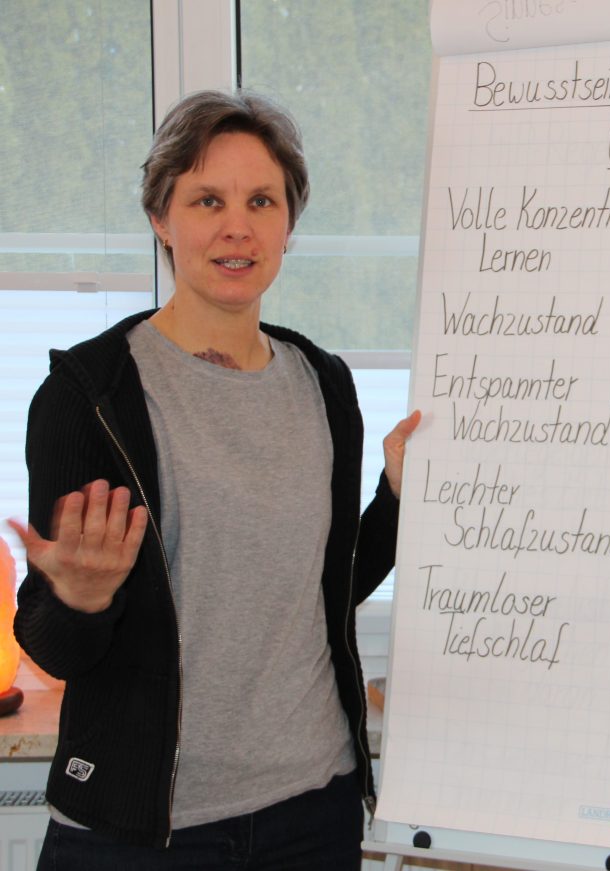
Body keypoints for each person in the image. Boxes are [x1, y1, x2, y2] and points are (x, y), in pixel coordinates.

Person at [8, 89, 420, 869]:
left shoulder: (324, 384)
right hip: (144, 834)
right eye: (207, 200)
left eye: (262, 200)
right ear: (160, 218)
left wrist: (396, 498)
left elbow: (327, 588)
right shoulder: (91, 396)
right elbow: (53, 645)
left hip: (314, 810)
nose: (238, 226)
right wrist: (80, 597)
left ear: (288, 225)